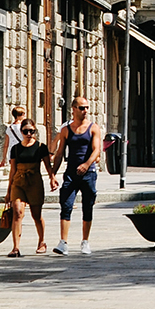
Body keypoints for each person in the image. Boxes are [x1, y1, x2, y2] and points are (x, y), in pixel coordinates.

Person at [51, 97, 103, 256]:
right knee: (66, 205)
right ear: (73, 109)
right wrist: (52, 174)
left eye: (86, 107)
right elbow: (60, 153)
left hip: (89, 173)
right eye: (81, 108)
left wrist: (87, 164)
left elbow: (96, 150)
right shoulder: (66, 130)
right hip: (71, 173)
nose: (85, 111)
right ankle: (63, 243)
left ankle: (85, 241)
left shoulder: (93, 128)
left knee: (88, 206)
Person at [4, 118, 53, 256]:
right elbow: (12, 170)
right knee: (17, 213)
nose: (29, 134)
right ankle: (15, 247)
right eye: (26, 131)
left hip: (34, 182)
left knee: (36, 215)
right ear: (21, 132)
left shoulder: (41, 147)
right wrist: (9, 190)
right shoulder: (15, 149)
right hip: (18, 182)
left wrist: (52, 178)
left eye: (32, 131)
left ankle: (42, 242)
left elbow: (48, 166)